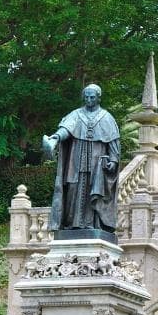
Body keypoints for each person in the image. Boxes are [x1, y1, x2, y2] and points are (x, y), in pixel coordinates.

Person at [44, 84, 121, 234]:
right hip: (76, 158)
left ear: (99, 98)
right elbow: (66, 128)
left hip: (97, 162)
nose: (89, 100)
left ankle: (92, 224)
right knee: (73, 188)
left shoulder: (107, 117)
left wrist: (114, 160)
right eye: (86, 97)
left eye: (92, 97)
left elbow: (113, 142)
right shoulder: (76, 114)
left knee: (94, 190)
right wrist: (56, 138)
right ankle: (72, 224)